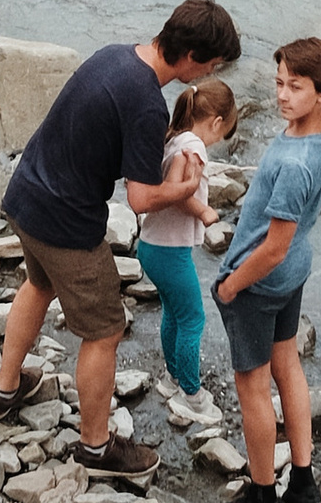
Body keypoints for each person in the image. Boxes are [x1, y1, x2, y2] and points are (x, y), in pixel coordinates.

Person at [0, 0, 241, 487]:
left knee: (38, 286)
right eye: (211, 63)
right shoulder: (146, 102)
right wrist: (187, 190)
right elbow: (144, 199)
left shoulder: (115, 54)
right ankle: (96, 447)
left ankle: (4, 390)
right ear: (190, 56)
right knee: (104, 330)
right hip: (66, 221)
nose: (212, 70)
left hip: (27, 194)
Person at [214, 39, 321, 503]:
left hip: (261, 280)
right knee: (287, 363)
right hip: (294, 272)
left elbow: (271, 249)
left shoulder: (292, 162)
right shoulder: (320, 137)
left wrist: (231, 286)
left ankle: (263, 490)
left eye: (296, 87)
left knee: (251, 385)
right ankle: (303, 481)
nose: (283, 95)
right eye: (279, 83)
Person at [136, 77, 236, 403]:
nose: (217, 141)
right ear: (217, 122)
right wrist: (204, 212)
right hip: (170, 252)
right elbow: (178, 193)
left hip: (151, 245)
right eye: (221, 135)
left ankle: (171, 376)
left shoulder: (173, 138)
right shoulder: (194, 146)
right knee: (193, 319)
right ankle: (191, 394)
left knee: (173, 314)